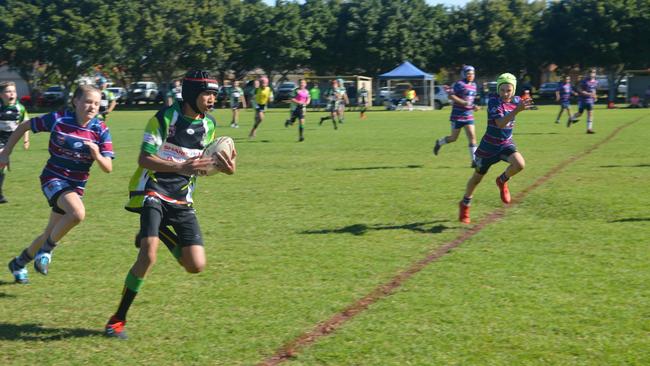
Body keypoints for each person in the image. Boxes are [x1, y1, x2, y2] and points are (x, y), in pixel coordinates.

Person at [104, 70, 236, 339]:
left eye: (214, 94)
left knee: (195, 265)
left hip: (182, 198)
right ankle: (117, 320)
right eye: (207, 94)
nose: (212, 99)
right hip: (153, 188)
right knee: (148, 255)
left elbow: (204, 164)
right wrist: (181, 165)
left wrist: (224, 167)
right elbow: (144, 159)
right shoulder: (165, 118)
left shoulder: (209, 126)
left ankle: (158, 232)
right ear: (191, 94)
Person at [3, 85, 114, 284]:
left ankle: (19, 263)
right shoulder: (59, 119)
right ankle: (46, 251)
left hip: (76, 186)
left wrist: (97, 155)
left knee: (50, 232)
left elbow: (108, 167)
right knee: (78, 214)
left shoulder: (100, 129)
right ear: (75, 101)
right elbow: (25, 125)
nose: (92, 107)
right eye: (88, 101)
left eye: (97, 103)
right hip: (53, 178)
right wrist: (5, 152)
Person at [458, 73, 532, 224]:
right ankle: (465, 204)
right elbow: (500, 124)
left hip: (505, 144)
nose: (505, 93)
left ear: (514, 90)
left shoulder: (517, 101)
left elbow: (522, 102)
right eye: (502, 90)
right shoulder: (494, 102)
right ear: (498, 90)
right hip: (488, 148)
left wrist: (524, 103)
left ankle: (502, 180)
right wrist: (517, 110)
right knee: (477, 178)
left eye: (509, 90)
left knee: (520, 164)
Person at [433, 65, 480, 167]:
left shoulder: (474, 86)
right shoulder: (459, 84)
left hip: (468, 115)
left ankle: (474, 161)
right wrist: (463, 102)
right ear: (464, 74)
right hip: (457, 116)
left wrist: (474, 107)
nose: (471, 75)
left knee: (472, 137)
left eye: (472, 73)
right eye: (468, 73)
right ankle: (439, 143)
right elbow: (451, 95)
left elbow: (470, 101)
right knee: (453, 138)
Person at [0, 81, 30, 204]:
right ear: (1, 95)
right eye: (8, 91)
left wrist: (26, 139)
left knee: (2, 166)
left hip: (10, 140)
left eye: (14, 91)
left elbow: (25, 124)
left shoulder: (20, 108)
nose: (12, 93)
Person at [571, 68, 598, 134]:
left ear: (595, 74)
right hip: (583, 100)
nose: (592, 74)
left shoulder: (596, 82)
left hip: (590, 100)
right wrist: (587, 93)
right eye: (590, 73)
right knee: (580, 113)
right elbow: (579, 90)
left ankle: (589, 129)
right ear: (588, 74)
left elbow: (594, 90)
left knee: (590, 114)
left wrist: (595, 96)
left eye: (593, 73)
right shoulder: (584, 81)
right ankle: (572, 118)